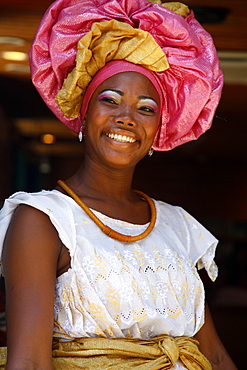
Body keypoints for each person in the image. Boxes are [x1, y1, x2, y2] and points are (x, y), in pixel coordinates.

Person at [0, 0, 238, 369]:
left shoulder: (177, 225)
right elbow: (28, 363)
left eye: (146, 108)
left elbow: (216, 355)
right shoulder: (44, 220)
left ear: (158, 129)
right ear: (83, 112)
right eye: (109, 100)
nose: (126, 117)